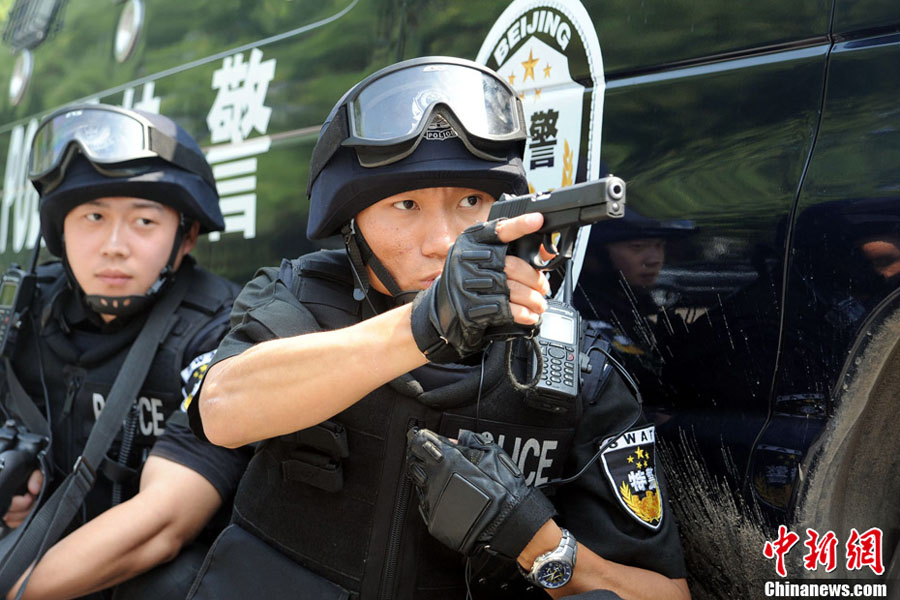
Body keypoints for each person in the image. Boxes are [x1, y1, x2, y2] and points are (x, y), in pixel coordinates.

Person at [191, 57, 689, 599]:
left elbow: (666, 594)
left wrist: (540, 546)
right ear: (351, 222)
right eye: (406, 204)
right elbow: (222, 410)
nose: (444, 240)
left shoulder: (573, 369)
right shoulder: (303, 297)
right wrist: (425, 325)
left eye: (472, 202)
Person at [0, 104, 250, 599]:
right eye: (93, 217)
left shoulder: (222, 331)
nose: (115, 245)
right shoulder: (21, 314)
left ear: (186, 238)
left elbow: (163, 524)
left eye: (143, 221)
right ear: (59, 231)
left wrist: (12, 588)